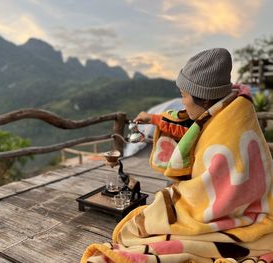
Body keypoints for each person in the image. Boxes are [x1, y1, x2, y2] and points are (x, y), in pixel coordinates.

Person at [81, 48, 273, 263]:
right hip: (254, 200)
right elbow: (184, 126)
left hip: (237, 211)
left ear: (204, 99)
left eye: (184, 96)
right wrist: (153, 119)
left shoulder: (225, 136)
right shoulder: (228, 110)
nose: (182, 102)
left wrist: (169, 200)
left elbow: (207, 197)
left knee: (139, 224)